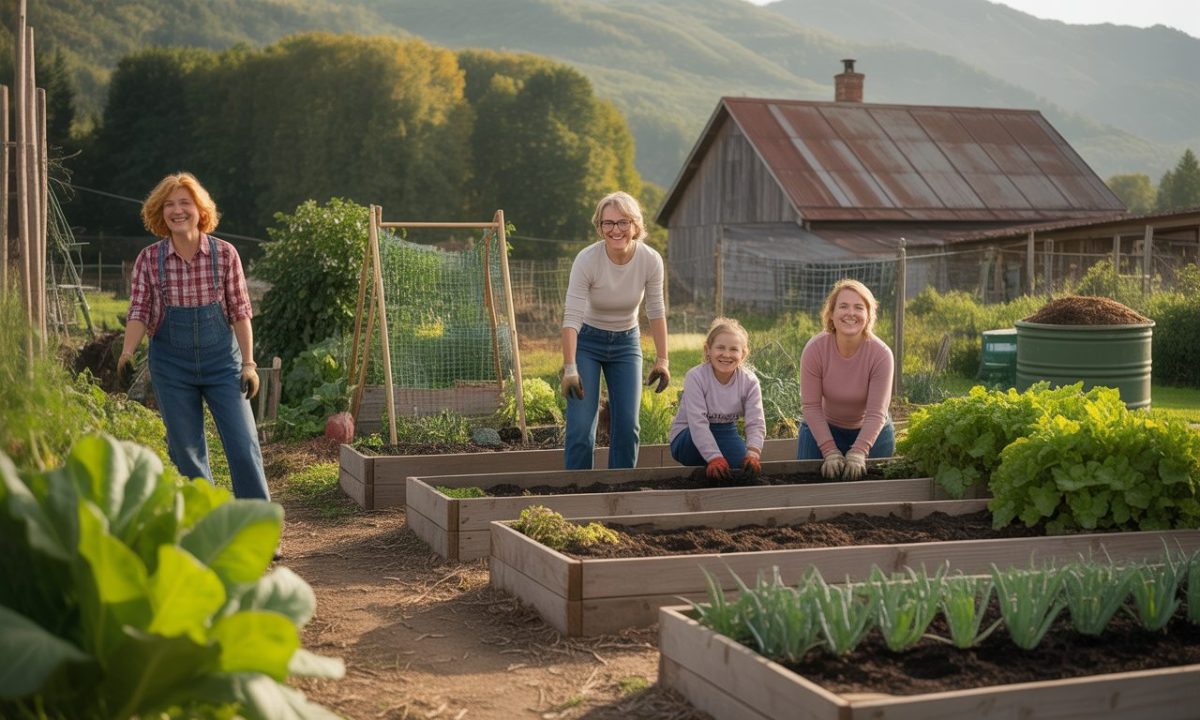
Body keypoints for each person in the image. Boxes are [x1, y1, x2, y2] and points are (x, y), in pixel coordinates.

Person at [118, 172, 271, 502]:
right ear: (160, 213)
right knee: (186, 453)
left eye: (184, 203)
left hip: (223, 364)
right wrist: (127, 352)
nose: (177, 210)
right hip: (171, 367)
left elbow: (240, 312)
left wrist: (249, 364)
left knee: (244, 445)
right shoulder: (149, 259)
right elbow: (139, 311)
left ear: (200, 209)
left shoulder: (224, 254)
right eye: (169, 205)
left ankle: (258, 525)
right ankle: (208, 523)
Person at [560, 191, 669, 469]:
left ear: (635, 226)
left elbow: (655, 310)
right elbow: (572, 316)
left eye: (622, 222)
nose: (615, 230)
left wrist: (663, 360)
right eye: (608, 223)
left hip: (626, 344)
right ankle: (578, 490)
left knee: (627, 425)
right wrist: (570, 367)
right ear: (600, 227)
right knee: (581, 427)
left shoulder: (650, 260)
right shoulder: (587, 260)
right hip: (588, 342)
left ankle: (620, 493)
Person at [798, 278, 895, 481]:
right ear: (831, 315)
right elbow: (811, 406)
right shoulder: (815, 349)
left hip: (871, 432)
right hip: (823, 428)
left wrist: (859, 451)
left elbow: (876, 413)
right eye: (843, 306)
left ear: (868, 316)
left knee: (875, 494)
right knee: (807, 487)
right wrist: (829, 451)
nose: (851, 313)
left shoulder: (881, 354)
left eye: (859, 307)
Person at [668, 317, 766, 480]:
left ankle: (707, 472)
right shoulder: (696, 377)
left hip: (725, 431)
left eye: (734, 349)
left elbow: (756, 421)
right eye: (720, 347)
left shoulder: (749, 381)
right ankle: (708, 462)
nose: (726, 354)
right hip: (688, 436)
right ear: (708, 350)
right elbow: (697, 423)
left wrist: (753, 453)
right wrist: (714, 457)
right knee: (715, 459)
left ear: (743, 354)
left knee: (742, 469)